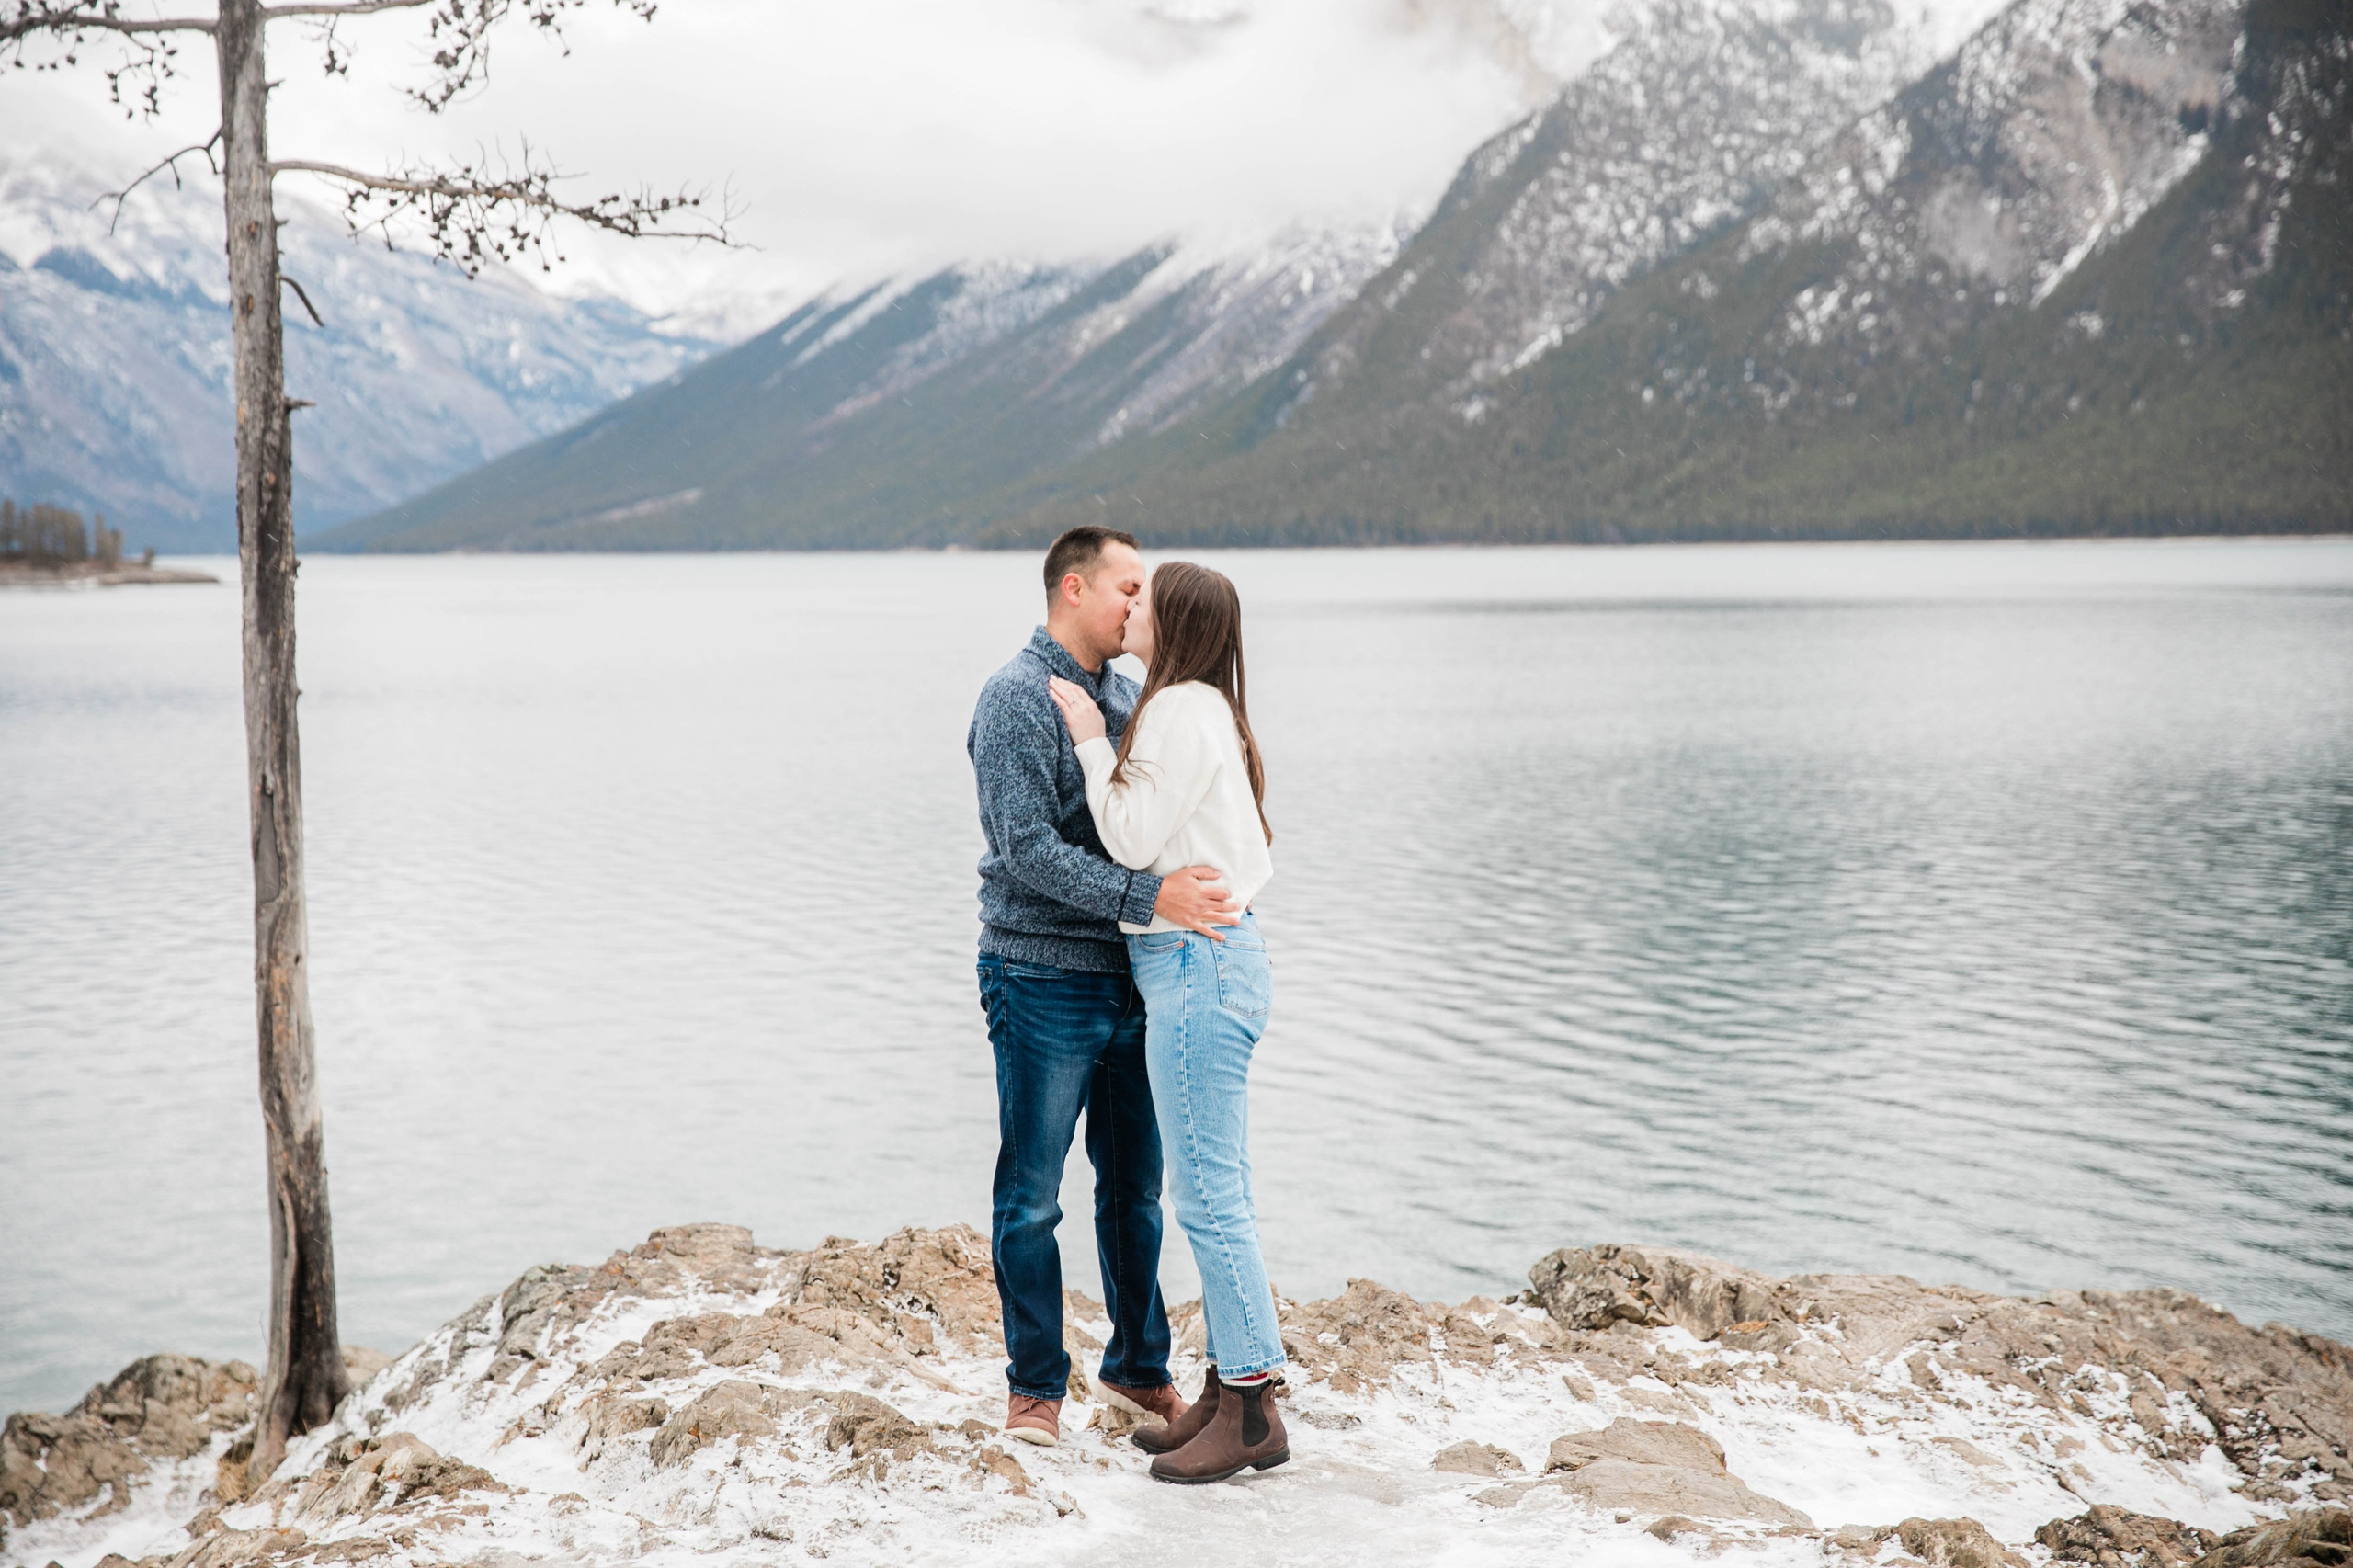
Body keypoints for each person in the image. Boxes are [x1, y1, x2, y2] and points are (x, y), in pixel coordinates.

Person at [967, 526, 1240, 1450]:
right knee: (1032, 1194)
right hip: (1039, 973)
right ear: (1073, 589)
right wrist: (1149, 894)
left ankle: (1135, 1372)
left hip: (1134, 977)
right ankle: (1035, 1388)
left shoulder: (1132, 697)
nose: (1141, 603)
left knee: (1134, 1192)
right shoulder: (1013, 697)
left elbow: (1157, 822)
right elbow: (1025, 849)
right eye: (1128, 587)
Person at [1046, 559, 1289, 1484]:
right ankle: (1232, 1395)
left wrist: (1088, 742)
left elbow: (1133, 842)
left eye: (1143, 596)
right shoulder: (1199, 705)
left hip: (1196, 964)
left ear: (1175, 618)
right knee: (1215, 1185)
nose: (1128, 602)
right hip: (1205, 962)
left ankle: (1253, 1404)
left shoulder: (1180, 706)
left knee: (1208, 1194)